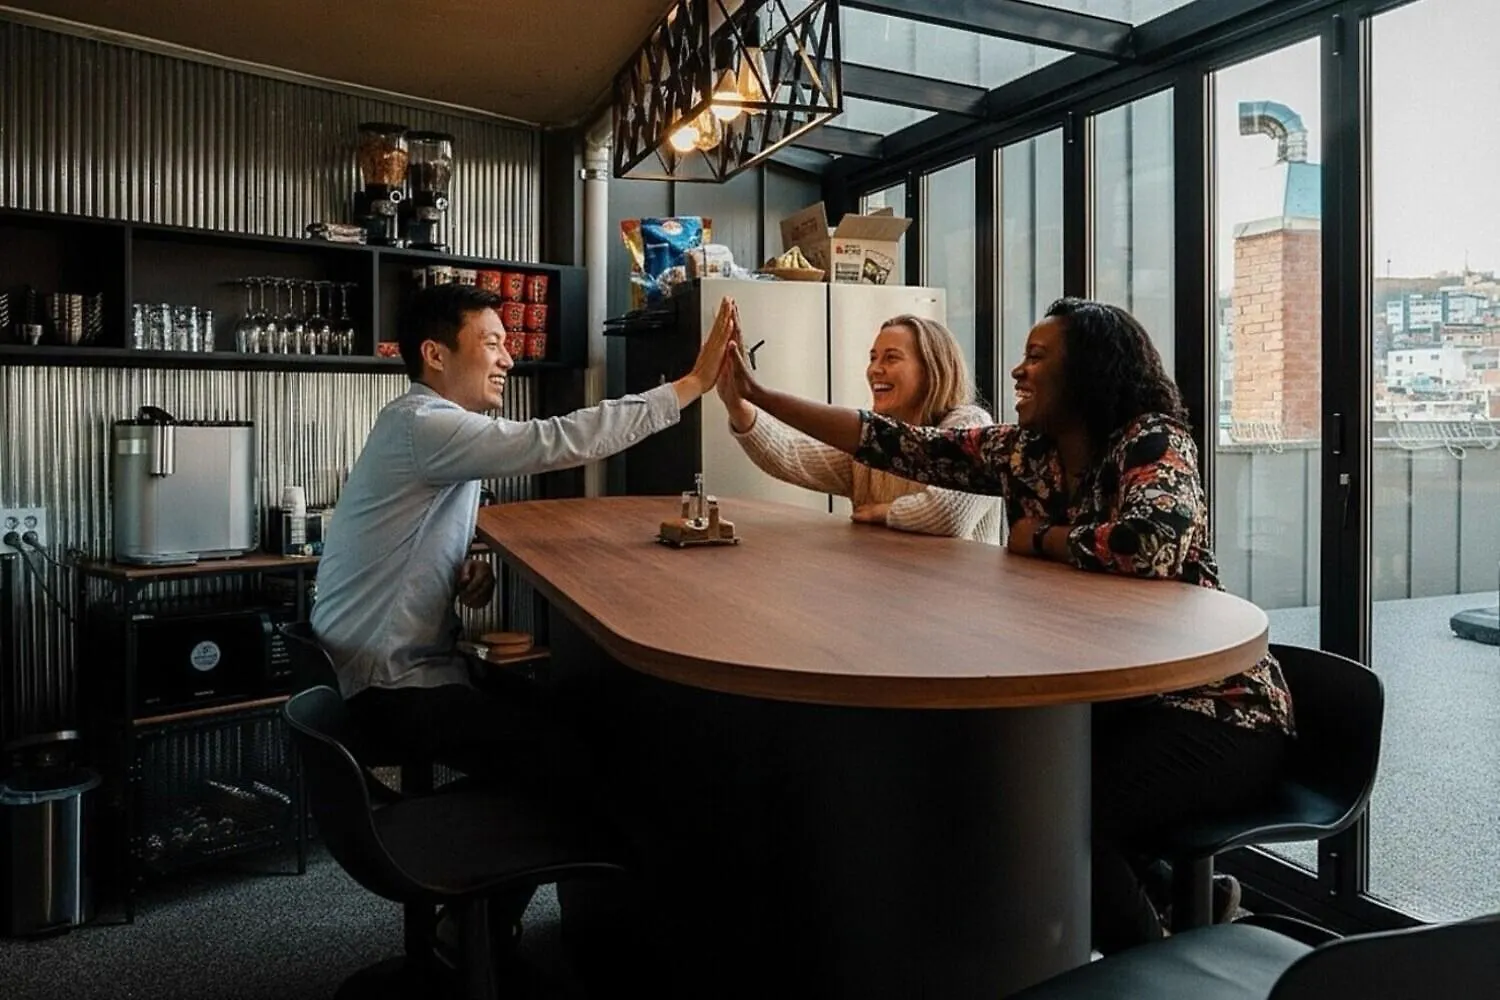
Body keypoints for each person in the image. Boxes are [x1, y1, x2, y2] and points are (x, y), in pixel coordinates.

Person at [717, 296, 1294, 953]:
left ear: (1088, 369)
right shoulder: (1025, 453)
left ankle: (1155, 972)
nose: (1018, 371)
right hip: (1111, 704)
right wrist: (759, 396)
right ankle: (1172, 906)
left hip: (1218, 709)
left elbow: (1154, 542)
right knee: (1001, 785)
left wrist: (1041, 537)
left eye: (1037, 357)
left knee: (1063, 823)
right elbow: (894, 443)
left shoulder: (1151, 441)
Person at [311, 283, 736, 798]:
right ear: (435, 355)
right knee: (576, 751)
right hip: (388, 687)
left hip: (395, 668)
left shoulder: (420, 424)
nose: (508, 360)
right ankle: (528, 842)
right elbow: (555, 439)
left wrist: (459, 569)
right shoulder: (425, 424)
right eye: (491, 344)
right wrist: (692, 385)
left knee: (575, 719)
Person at [721, 312, 1001, 543]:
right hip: (894, 585)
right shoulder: (875, 442)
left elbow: (948, 514)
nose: (874, 370)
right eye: (873, 358)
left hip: (959, 594)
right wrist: (737, 405)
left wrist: (881, 513)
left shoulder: (971, 424)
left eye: (891, 358)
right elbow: (792, 456)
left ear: (932, 370)